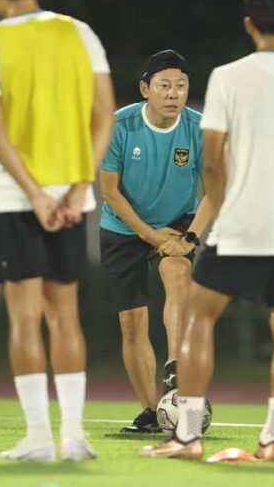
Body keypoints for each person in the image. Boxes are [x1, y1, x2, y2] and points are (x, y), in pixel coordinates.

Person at [141, 0, 274, 462]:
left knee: (196, 321)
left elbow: (212, 163)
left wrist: (223, 211)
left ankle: (188, 437)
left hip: (242, 222)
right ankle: (273, 440)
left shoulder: (229, 76)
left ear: (249, 24)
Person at [0, 0, 116, 461]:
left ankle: (37, 438)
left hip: (15, 198)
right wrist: (79, 186)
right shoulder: (80, 33)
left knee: (25, 318)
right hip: (73, 198)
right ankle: (74, 435)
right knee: (65, 316)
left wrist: (32, 193)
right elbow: (105, 114)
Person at [99, 49, 213, 433]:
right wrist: (149, 235)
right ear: (145, 89)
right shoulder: (119, 125)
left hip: (178, 222)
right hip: (122, 227)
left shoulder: (199, 128)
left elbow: (215, 189)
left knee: (178, 275)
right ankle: (152, 410)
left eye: (181, 86)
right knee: (132, 324)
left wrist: (190, 237)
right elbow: (109, 191)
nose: (173, 93)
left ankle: (177, 368)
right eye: (164, 85)